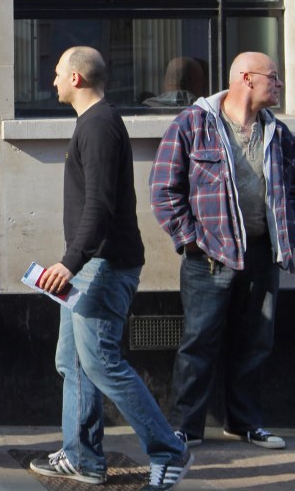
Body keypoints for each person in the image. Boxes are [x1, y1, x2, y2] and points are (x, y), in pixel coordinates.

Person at [31, 47, 191, 490]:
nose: (53, 82)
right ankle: (84, 458)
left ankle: (169, 450)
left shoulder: (98, 126)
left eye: (59, 74)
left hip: (103, 266)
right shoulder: (93, 123)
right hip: (91, 265)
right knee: (72, 362)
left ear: (78, 79)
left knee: (100, 363)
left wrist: (70, 262)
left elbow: (100, 205)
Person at [149, 51, 291, 450]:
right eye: (273, 78)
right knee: (199, 342)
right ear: (246, 78)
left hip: (262, 252)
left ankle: (244, 423)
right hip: (208, 258)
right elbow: (163, 188)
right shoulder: (194, 123)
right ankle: (185, 426)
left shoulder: (277, 133)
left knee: (255, 342)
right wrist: (190, 239)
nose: (278, 85)